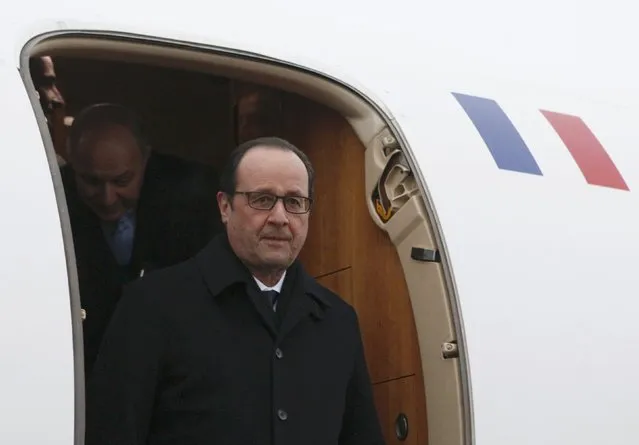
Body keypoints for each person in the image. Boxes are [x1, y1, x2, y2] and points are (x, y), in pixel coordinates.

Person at [85, 137, 385, 445]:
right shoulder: (152, 306)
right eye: (262, 199)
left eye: (295, 202)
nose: (280, 218)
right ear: (224, 206)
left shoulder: (337, 321)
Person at [61, 103, 222, 377]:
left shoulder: (197, 198)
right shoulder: (50, 196)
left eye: (122, 181)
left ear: (146, 160)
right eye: (91, 181)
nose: (107, 197)